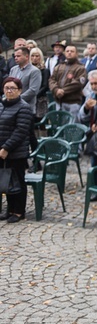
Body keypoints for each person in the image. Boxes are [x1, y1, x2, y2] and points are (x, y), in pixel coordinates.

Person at [0, 77, 33, 222]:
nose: (9, 91)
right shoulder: (2, 105)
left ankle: (18, 211)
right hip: (1, 150)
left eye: (12, 88)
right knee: (5, 181)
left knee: (17, 181)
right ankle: (9, 210)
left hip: (16, 151)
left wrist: (6, 147)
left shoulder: (23, 107)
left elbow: (21, 130)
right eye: (6, 88)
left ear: (19, 90)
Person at [49, 45, 87, 114]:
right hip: (59, 102)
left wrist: (63, 91)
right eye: (67, 51)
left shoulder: (80, 68)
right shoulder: (59, 66)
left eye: (72, 51)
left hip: (73, 103)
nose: (69, 53)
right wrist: (56, 90)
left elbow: (78, 83)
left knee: (72, 124)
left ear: (76, 54)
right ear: (64, 53)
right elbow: (52, 80)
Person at [28, 47, 50, 124]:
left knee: (41, 122)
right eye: (33, 56)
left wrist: (34, 95)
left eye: (37, 56)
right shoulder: (28, 69)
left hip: (40, 99)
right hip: (29, 98)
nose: (34, 58)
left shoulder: (45, 70)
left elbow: (45, 86)